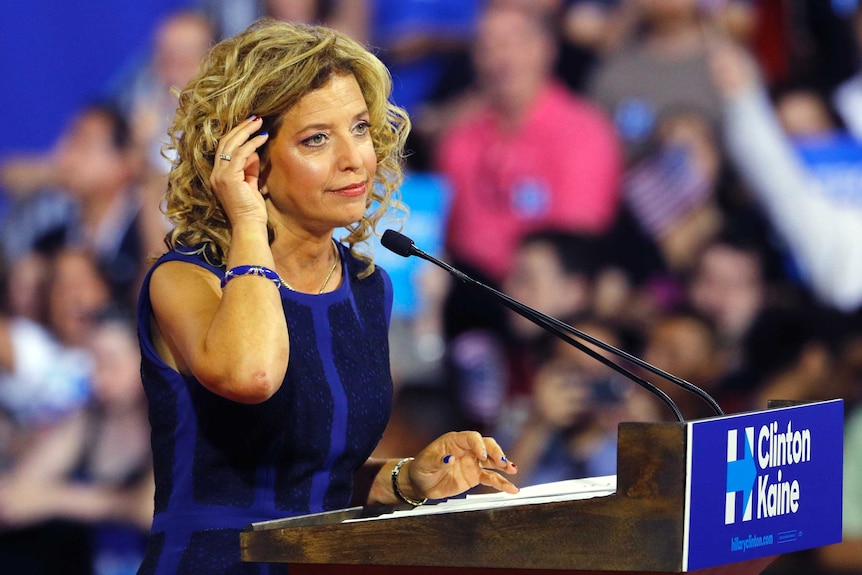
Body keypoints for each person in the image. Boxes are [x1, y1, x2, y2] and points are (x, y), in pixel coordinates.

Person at [136, 18, 518, 574]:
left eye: (360, 128)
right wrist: (245, 220)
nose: (354, 158)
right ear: (250, 161)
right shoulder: (187, 279)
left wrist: (406, 478)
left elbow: (317, 485)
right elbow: (252, 375)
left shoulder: (368, 288)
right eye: (317, 138)